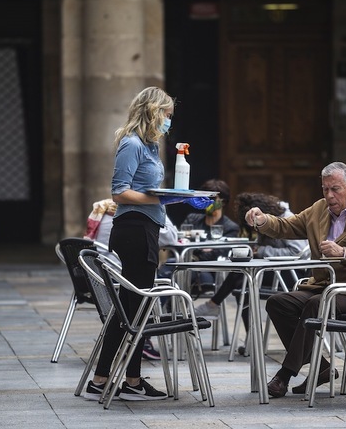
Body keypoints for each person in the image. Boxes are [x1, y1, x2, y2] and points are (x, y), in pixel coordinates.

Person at [85, 86, 211, 402]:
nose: (169, 121)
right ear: (153, 112)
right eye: (167, 115)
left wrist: (172, 195)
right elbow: (119, 192)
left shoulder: (150, 146)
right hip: (134, 229)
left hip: (146, 227)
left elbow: (145, 189)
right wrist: (160, 196)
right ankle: (128, 380)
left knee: (130, 307)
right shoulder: (131, 144)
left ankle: (109, 379)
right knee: (136, 307)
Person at [245, 162, 346, 398]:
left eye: (335, 189)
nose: (329, 195)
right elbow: (285, 227)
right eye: (325, 189)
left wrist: (344, 253)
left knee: (316, 304)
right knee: (278, 302)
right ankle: (323, 369)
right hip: (324, 287)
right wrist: (262, 220)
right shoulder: (318, 210)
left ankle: (284, 375)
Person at [83, 197, 179, 360]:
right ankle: (144, 339)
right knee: (163, 285)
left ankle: (107, 377)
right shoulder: (140, 214)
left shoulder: (103, 210)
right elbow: (171, 237)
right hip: (122, 280)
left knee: (151, 286)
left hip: (100, 280)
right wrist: (159, 205)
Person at [193, 192, 308, 323]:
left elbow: (297, 252)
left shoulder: (286, 218)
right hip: (273, 270)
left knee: (242, 279)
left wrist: (261, 250)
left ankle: (213, 305)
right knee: (241, 281)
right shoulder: (264, 222)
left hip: (291, 273)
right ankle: (250, 337)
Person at [179, 179, 240, 295]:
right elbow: (180, 244)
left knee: (181, 274)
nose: (207, 202)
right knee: (169, 270)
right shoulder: (192, 219)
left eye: (211, 199)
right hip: (184, 266)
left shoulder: (230, 227)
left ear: (223, 202)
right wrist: (203, 250)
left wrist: (194, 252)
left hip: (210, 273)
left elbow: (217, 254)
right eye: (203, 198)